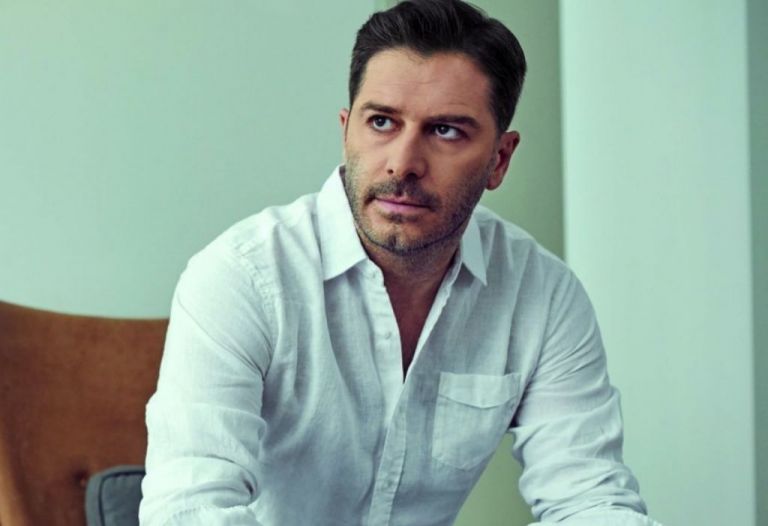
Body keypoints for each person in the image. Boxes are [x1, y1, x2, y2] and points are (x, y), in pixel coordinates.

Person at [139, 1, 662, 525]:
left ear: (499, 159)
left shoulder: (542, 295)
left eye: (446, 131)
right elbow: (189, 510)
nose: (403, 163)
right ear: (347, 132)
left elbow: (588, 498)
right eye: (382, 122)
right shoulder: (242, 278)